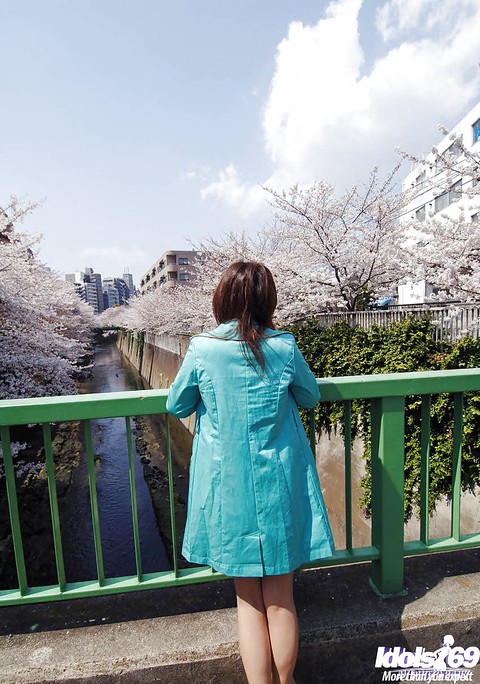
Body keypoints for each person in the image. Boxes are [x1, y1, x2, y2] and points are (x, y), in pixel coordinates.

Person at [166, 261, 335, 684]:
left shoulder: (203, 348)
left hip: (230, 487)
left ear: (221, 299)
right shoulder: (284, 346)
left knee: (248, 600)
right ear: (267, 300)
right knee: (281, 596)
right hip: (278, 482)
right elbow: (310, 396)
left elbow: (177, 405)